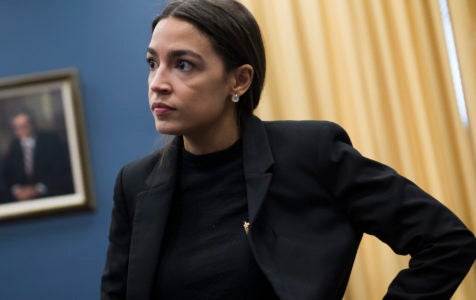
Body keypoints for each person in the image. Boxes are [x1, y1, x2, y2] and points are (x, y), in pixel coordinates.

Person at [101, 0, 476, 299]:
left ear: (239, 79)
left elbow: (445, 242)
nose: (158, 83)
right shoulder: (135, 185)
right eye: (153, 63)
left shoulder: (311, 153)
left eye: (182, 64)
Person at [0, 110, 74, 204]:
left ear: (33, 124)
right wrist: (16, 190)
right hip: (21, 199)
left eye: (24, 126)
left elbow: (61, 172)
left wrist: (38, 189)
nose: (21, 130)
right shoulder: (14, 146)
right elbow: (3, 175)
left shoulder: (51, 142)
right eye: (17, 128)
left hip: (49, 196)